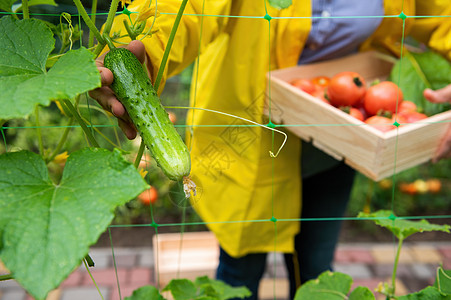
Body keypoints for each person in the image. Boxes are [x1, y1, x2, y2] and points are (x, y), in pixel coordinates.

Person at [89, 1, 451, 298]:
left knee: (316, 272)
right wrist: (140, 53)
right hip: (246, 134)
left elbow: (440, 13)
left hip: (339, 133)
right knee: (238, 272)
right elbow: (183, 10)